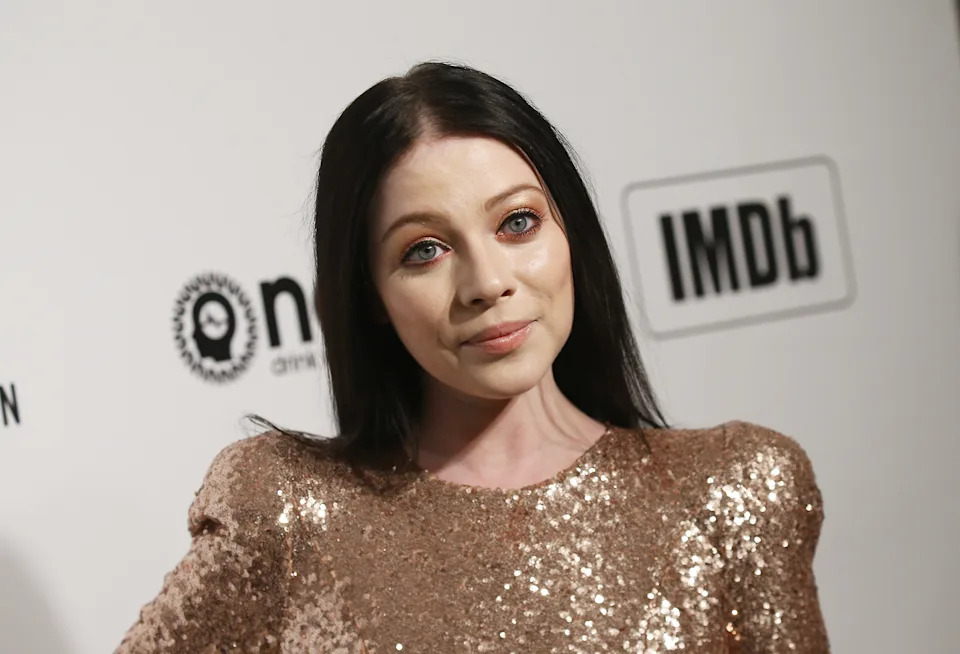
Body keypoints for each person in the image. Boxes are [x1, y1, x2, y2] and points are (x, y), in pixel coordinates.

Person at [116, 61, 829, 653]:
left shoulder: (734, 494)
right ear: (370, 295)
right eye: (424, 249)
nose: (488, 283)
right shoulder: (290, 513)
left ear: (570, 232)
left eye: (517, 222)